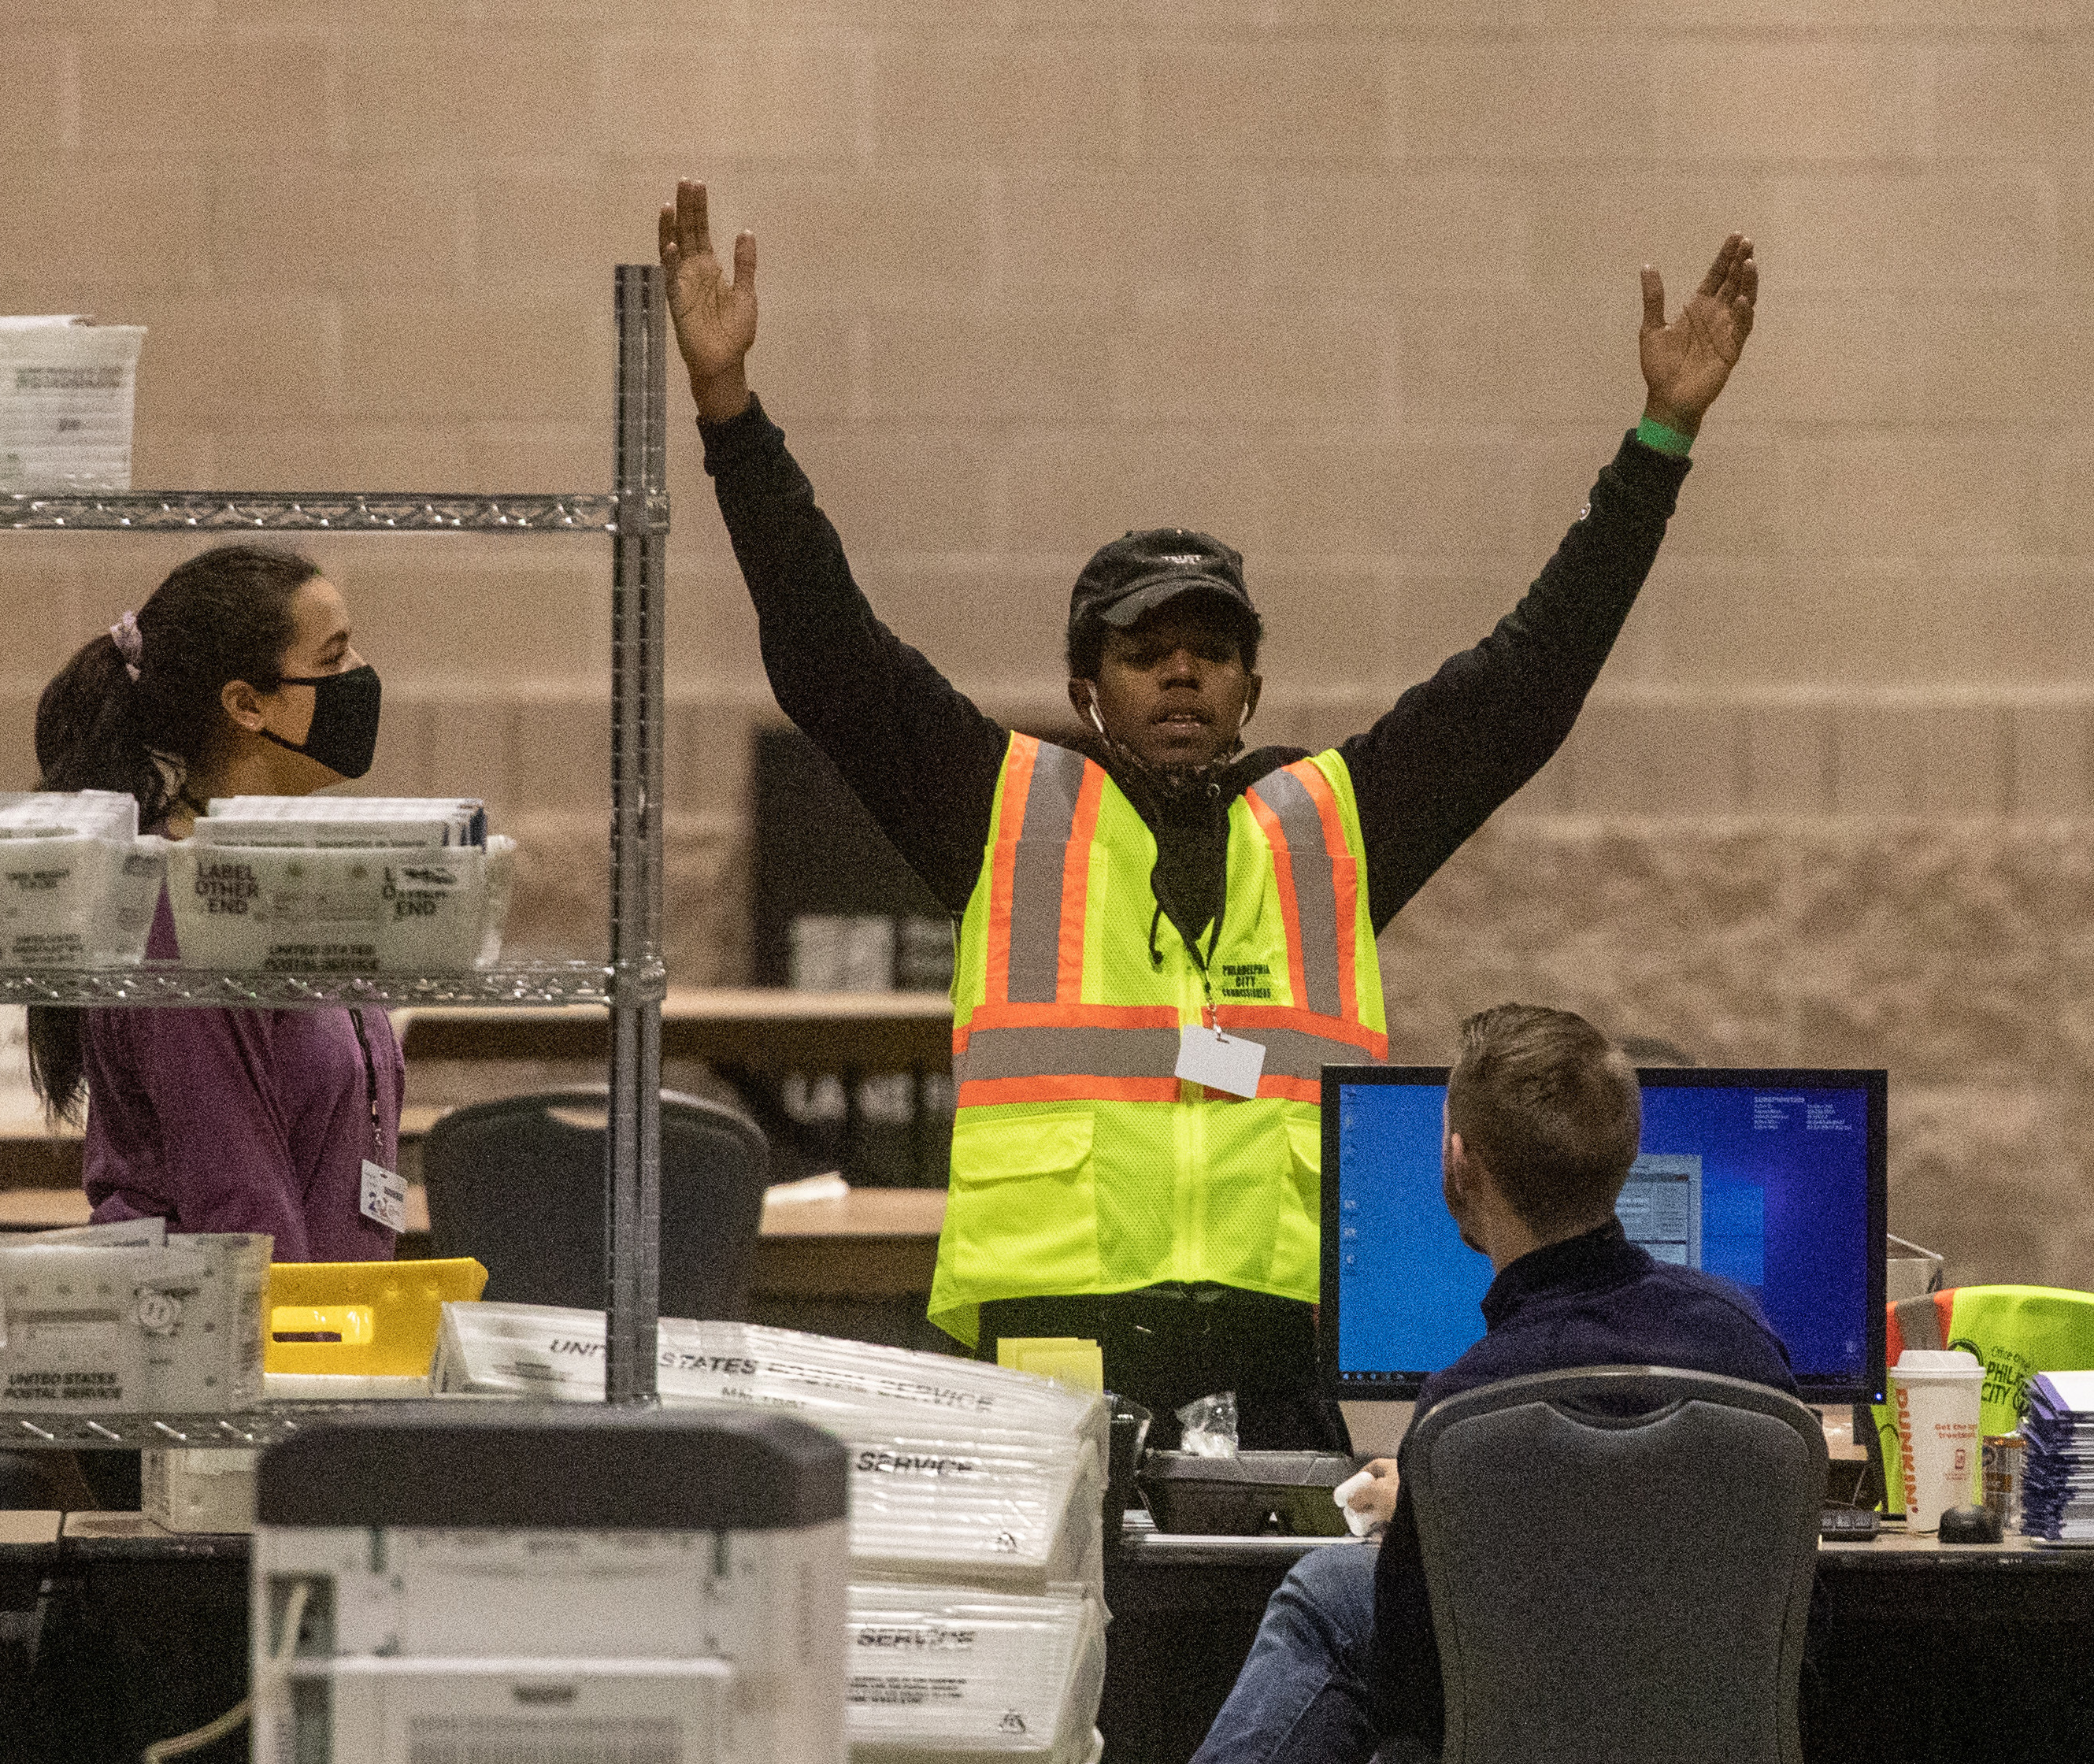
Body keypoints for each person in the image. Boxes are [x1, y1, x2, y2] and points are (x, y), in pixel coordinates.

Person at [659, 179, 1761, 1447]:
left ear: (1252, 684)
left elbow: (1527, 683)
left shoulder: (1331, 820)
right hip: (1043, 1349)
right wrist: (731, 415)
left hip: (1277, 1354)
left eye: (1211, 648)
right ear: (1088, 685)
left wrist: (1660, 442)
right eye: (1145, 650)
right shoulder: (1005, 803)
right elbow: (828, 655)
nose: (1180, 671)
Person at [1141, 1003, 1799, 1764]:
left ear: (1461, 1162)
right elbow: (1801, 1630)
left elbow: (1417, 1694)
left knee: (1328, 1591)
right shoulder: (1744, 1339)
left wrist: (1435, 1508)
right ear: (1625, 1154)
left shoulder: (1470, 1407)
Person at [29, 542, 404, 1260]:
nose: (361, 676)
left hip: (324, 1332)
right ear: (247, 706)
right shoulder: (176, 912)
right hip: (221, 1338)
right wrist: (306, 1354)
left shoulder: (281, 872)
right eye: (333, 659)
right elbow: (237, 1207)